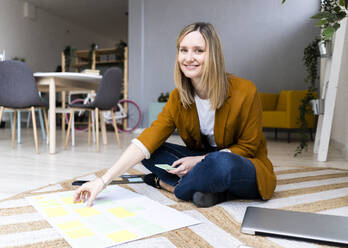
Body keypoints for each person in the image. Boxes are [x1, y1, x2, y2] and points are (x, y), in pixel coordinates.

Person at [74, 22, 276, 208]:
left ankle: (171, 186)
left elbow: (249, 147)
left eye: (198, 51)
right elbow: (148, 139)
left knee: (220, 164)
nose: (189, 58)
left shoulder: (245, 91)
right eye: (183, 50)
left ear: (213, 55)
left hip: (242, 165)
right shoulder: (178, 98)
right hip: (202, 163)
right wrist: (103, 181)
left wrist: (200, 161)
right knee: (150, 151)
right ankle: (209, 191)